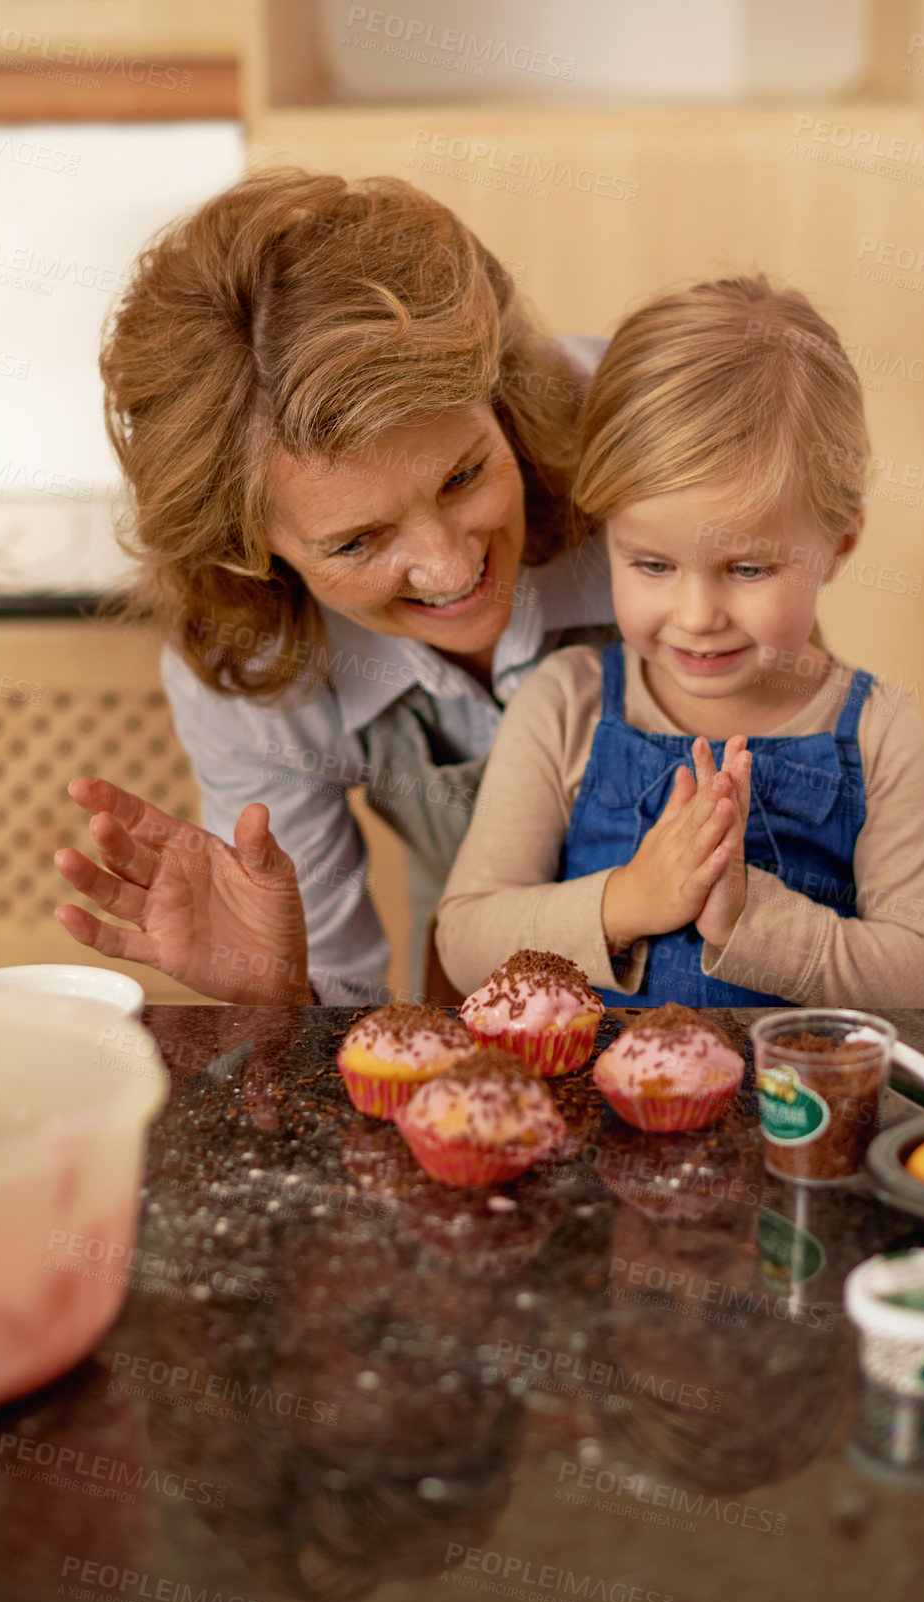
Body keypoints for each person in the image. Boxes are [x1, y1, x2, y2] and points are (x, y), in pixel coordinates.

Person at [51, 170, 617, 1006]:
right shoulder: (252, 652)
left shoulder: (647, 445)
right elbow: (333, 1022)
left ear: (497, 390)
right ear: (249, 551)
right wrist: (281, 993)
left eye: (463, 477)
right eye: (359, 541)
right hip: (488, 953)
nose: (451, 569)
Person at [435, 276, 924, 1008]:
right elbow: (465, 940)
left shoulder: (875, 728)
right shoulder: (564, 703)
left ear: (839, 540)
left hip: (801, 1118)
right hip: (582, 1115)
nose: (695, 615)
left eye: (747, 568)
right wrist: (627, 901)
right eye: (651, 565)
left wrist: (750, 919)